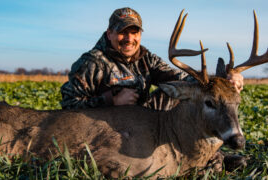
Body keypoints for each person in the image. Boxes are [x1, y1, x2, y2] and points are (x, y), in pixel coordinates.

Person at [60, 7, 243, 110]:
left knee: (176, 92)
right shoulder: (91, 63)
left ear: (140, 34)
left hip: (143, 121)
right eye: (122, 32)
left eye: (134, 32)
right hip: (105, 130)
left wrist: (222, 83)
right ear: (109, 34)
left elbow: (182, 80)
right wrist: (111, 100)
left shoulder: (147, 60)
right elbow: (68, 105)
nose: (129, 39)